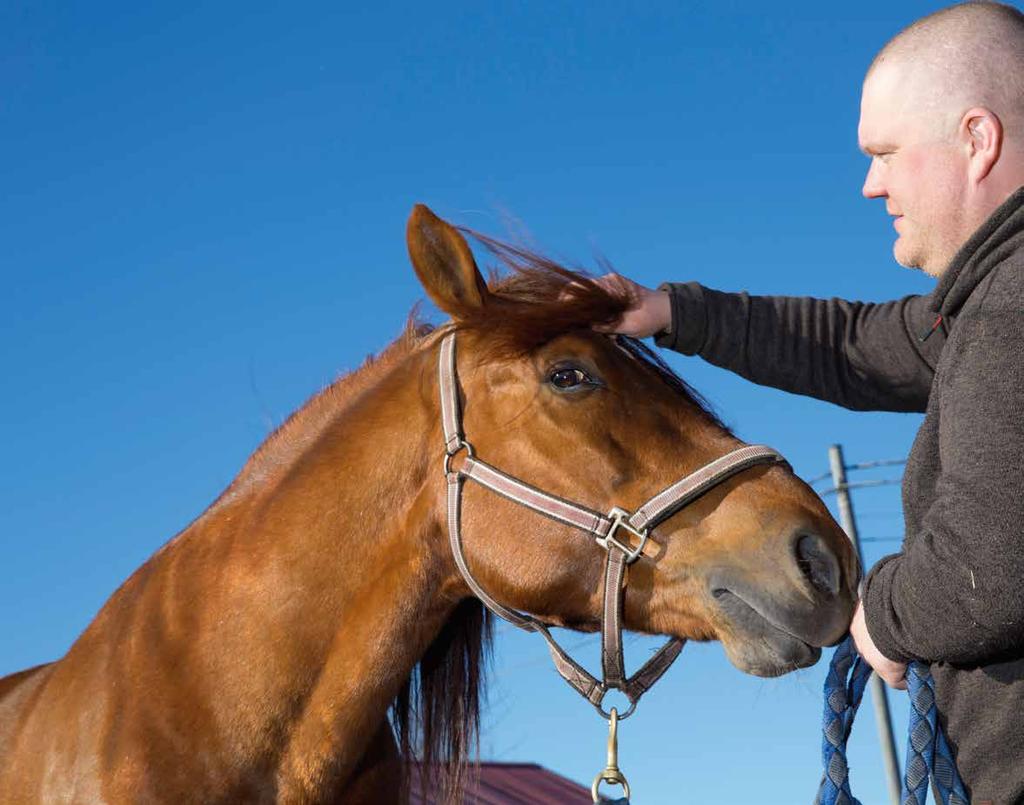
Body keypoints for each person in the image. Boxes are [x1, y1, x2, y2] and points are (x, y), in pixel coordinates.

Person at [593, 2, 1024, 800]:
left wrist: (884, 614)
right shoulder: (983, 306)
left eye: (886, 153)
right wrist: (672, 312)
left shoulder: (1010, 311)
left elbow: (989, 564)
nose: (870, 184)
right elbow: (850, 346)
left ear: (977, 139)